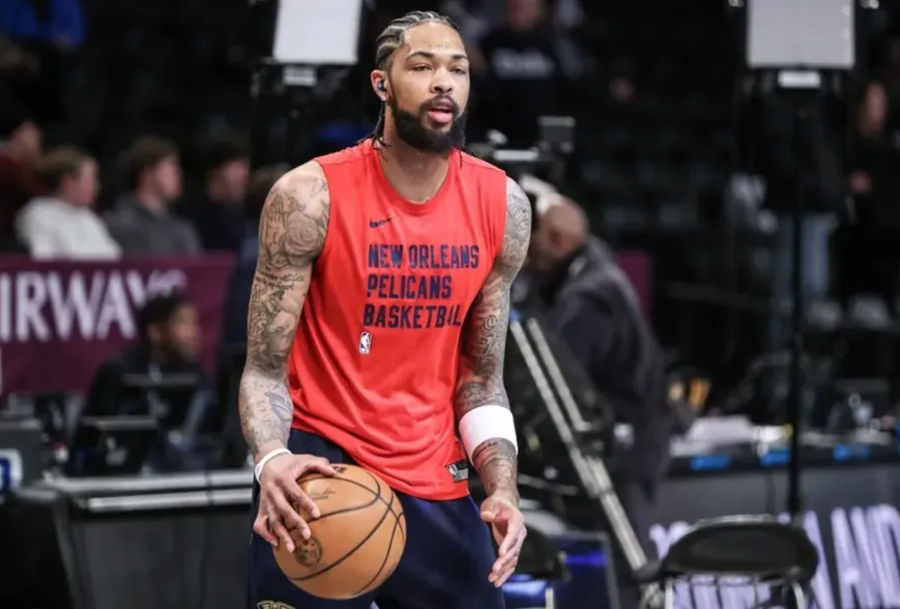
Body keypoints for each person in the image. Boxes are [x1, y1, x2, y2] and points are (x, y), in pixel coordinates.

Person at [240, 10, 531, 608]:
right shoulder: (307, 196)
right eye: (422, 67)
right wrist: (270, 459)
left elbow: (481, 379)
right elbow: (264, 370)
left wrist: (503, 487)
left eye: (457, 69)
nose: (443, 82)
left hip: (434, 474)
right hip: (320, 470)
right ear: (382, 84)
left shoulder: (503, 206)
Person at [79, 292, 212, 472]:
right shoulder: (119, 372)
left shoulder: (194, 374)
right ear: (155, 332)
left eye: (193, 324)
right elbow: (91, 439)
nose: (193, 333)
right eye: (183, 324)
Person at [16, 146, 119, 259]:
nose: (96, 187)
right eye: (91, 180)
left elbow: (112, 257)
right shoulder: (38, 214)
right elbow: (43, 260)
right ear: (67, 182)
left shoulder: (89, 217)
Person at [104, 136, 201, 257]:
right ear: (148, 174)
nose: (178, 174)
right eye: (171, 168)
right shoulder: (120, 225)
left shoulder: (182, 229)